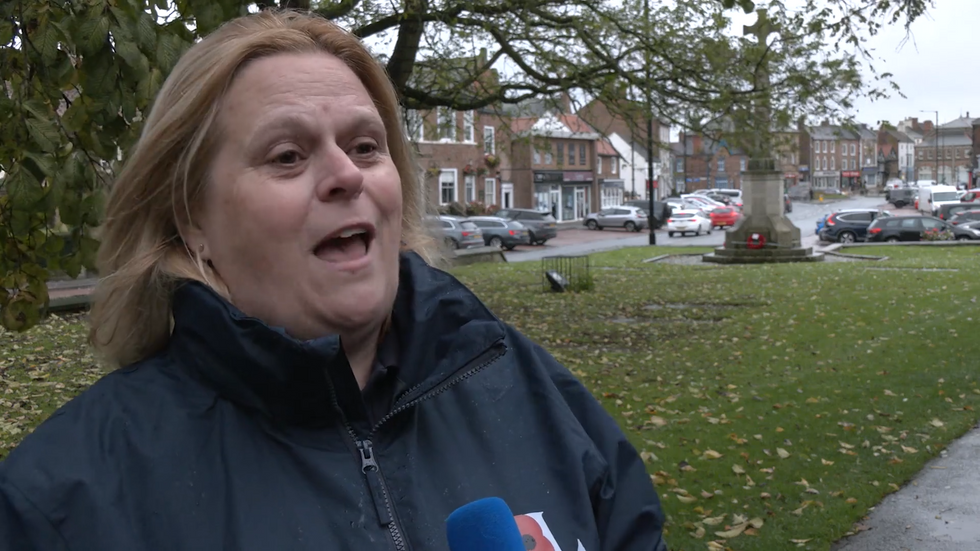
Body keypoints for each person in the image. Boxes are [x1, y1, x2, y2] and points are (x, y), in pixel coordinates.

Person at [0, 10, 666, 551]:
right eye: (288, 155)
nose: (347, 173)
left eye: (367, 146)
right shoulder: (62, 502)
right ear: (190, 222)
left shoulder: (527, 388)